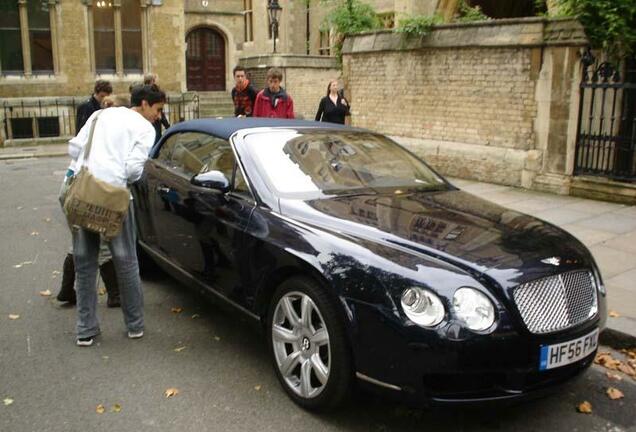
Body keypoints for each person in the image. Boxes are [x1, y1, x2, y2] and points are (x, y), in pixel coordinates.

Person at [68, 84, 166, 346]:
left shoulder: (101, 114)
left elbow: (75, 148)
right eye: (158, 109)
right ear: (144, 104)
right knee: (126, 260)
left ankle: (85, 330)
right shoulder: (145, 128)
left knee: (85, 262)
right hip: (114, 196)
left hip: (85, 192)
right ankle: (134, 325)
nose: (158, 115)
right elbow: (133, 170)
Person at [56, 95, 132, 308]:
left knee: (79, 239)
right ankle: (115, 294)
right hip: (88, 190)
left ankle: (65, 290)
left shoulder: (96, 122)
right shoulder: (113, 130)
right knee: (103, 239)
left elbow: (75, 149)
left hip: (71, 187)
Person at [144, 74, 170, 143]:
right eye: (155, 80)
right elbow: (161, 114)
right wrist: (167, 127)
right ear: (152, 81)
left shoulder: (143, 91)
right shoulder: (155, 93)